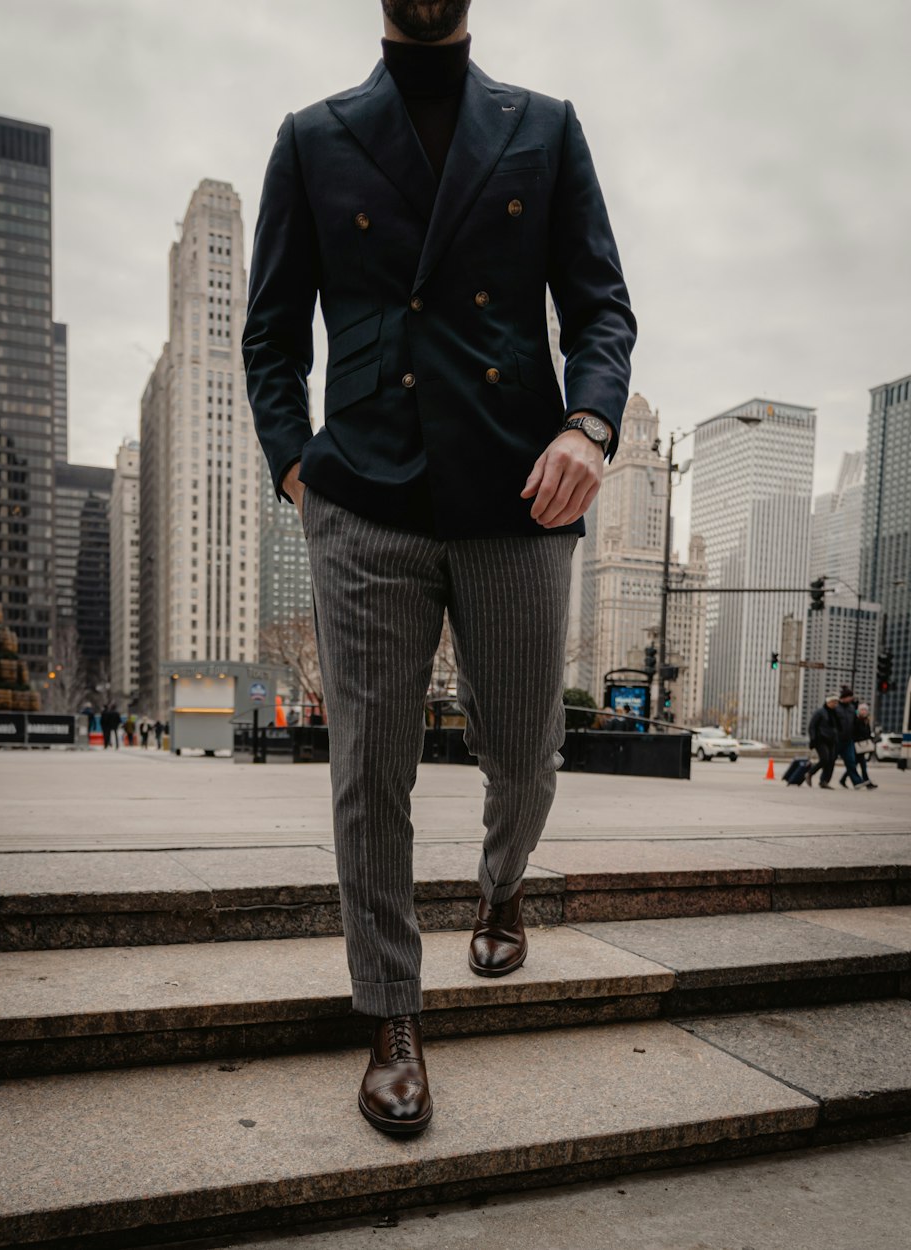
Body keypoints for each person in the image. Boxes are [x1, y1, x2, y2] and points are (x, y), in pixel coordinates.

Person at [244, 0, 635, 1135]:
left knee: (525, 744)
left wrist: (589, 426)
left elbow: (600, 305)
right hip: (363, 492)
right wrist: (293, 470)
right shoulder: (312, 137)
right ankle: (393, 1012)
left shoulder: (545, 128)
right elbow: (271, 335)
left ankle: (502, 881)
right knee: (372, 763)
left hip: (519, 488)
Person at [835, 684, 866, 790]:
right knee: (828, 761)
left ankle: (857, 782)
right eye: (849, 696)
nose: (851, 698)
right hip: (837, 740)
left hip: (848, 740)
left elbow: (855, 723)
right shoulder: (836, 708)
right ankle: (820, 778)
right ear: (844, 697)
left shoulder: (852, 708)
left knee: (851, 761)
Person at [807, 694, 840, 789]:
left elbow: (838, 727)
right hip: (820, 740)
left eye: (836, 702)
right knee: (825, 759)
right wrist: (813, 739)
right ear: (828, 702)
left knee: (831, 761)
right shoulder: (820, 712)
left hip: (832, 740)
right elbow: (812, 726)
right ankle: (810, 773)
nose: (835, 704)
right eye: (833, 702)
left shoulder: (835, 713)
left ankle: (824, 781)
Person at [845, 702, 878, 790]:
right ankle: (867, 783)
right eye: (862, 710)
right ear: (858, 711)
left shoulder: (866, 721)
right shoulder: (856, 720)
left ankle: (843, 779)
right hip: (857, 746)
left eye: (865, 710)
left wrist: (871, 739)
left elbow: (867, 733)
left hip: (863, 746)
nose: (864, 711)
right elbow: (854, 733)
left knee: (854, 765)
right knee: (862, 766)